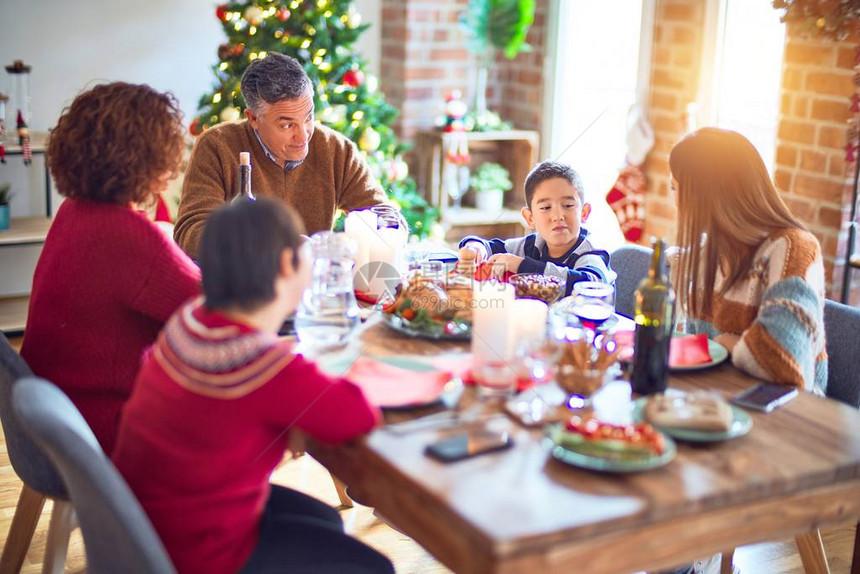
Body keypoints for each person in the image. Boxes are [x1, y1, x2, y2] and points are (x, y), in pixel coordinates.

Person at [113, 198, 392, 574]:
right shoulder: (265, 366)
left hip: (147, 524)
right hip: (203, 552)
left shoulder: (188, 321)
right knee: (375, 567)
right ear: (285, 266)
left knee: (324, 519)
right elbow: (358, 418)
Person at [20, 82, 200, 454]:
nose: (177, 157)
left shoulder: (75, 210)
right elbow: (214, 308)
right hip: (102, 431)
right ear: (142, 155)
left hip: (54, 419)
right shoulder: (126, 234)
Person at [174, 52, 402, 259]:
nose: (303, 137)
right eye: (287, 126)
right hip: (244, 295)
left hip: (314, 291)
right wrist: (276, 245)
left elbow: (386, 216)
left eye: (309, 118)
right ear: (253, 118)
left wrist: (381, 230)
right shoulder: (217, 146)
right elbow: (190, 234)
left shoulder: (337, 150)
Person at [670, 127, 826, 395]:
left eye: (679, 189)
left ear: (711, 196)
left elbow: (783, 362)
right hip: (717, 394)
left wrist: (725, 344)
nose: (676, 201)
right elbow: (691, 346)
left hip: (785, 411)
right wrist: (730, 344)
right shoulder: (709, 253)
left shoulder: (793, 248)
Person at [458, 160, 616, 295]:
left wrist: (521, 266)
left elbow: (589, 284)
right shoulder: (533, 245)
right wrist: (476, 247)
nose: (557, 216)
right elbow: (495, 248)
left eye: (568, 205)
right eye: (546, 208)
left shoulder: (590, 253)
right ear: (530, 218)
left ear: (584, 213)